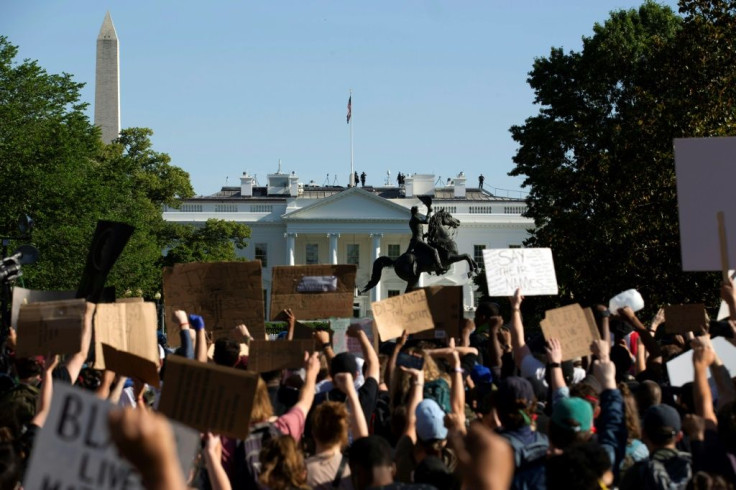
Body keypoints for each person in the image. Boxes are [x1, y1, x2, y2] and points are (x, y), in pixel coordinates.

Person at [405, 199, 444, 273]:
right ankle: (439, 267)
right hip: (418, 241)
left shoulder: (414, 219)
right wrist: (429, 211)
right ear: (415, 212)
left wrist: (426, 235)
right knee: (434, 250)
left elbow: (418, 232)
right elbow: (426, 221)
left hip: (417, 239)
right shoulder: (415, 218)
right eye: (418, 211)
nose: (419, 212)